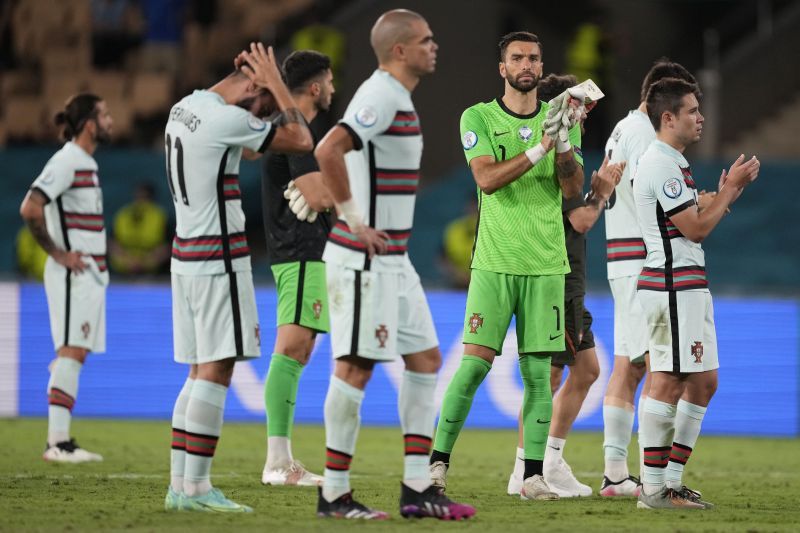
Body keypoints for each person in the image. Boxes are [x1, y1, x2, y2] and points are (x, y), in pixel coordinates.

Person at [313, 9, 475, 520]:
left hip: (394, 260)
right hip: (364, 259)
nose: (435, 47)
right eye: (426, 40)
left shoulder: (397, 97)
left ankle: (416, 490)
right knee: (355, 368)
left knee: (426, 360)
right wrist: (353, 218)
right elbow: (329, 148)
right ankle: (334, 495)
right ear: (400, 50)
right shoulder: (380, 94)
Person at [429, 31, 585, 502]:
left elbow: (574, 188)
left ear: (541, 66)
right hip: (494, 265)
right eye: (517, 57)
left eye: (534, 58)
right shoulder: (477, 117)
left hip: (546, 265)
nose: (527, 65)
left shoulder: (564, 119)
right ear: (502, 67)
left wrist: (560, 146)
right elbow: (486, 179)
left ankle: (532, 476)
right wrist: (539, 146)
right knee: (473, 367)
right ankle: (436, 466)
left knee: (539, 376)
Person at [163, 42, 313, 513]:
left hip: (185, 256)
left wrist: (265, 89)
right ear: (251, 85)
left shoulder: (185, 107)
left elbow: (247, 150)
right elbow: (300, 139)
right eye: (265, 100)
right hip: (218, 258)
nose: (268, 112)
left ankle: (179, 487)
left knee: (196, 371)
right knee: (218, 368)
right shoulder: (225, 119)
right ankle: (197, 489)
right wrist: (279, 88)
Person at [634, 77, 759, 510]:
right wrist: (727, 191)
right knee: (667, 381)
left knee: (704, 382)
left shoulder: (675, 163)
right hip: (670, 286)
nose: (700, 117)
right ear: (668, 118)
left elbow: (690, 221)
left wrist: (726, 194)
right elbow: (696, 229)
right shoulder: (661, 163)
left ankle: (670, 481)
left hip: (686, 285)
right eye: (691, 110)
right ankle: (652, 490)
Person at [505, 73, 623, 498]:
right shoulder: (564, 159)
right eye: (582, 107)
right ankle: (526, 468)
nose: (586, 115)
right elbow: (581, 220)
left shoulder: (557, 153)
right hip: (559, 278)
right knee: (550, 377)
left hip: (567, 279)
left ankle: (549, 461)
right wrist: (602, 192)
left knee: (586, 370)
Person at [599, 60, 701, 498]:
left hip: (620, 257)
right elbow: (653, 198)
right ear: (661, 105)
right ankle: (655, 482)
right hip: (643, 258)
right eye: (686, 106)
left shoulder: (621, 128)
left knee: (630, 363)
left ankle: (616, 472)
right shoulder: (646, 137)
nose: (690, 116)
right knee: (663, 368)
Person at [19, 93, 114, 463]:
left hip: (89, 274)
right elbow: (30, 207)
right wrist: (58, 254)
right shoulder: (68, 160)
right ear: (90, 123)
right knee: (71, 352)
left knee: (74, 354)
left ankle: (61, 439)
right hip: (73, 273)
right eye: (104, 114)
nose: (110, 120)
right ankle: (57, 443)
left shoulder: (84, 163)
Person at [259, 49, 335, 487]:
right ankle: (277, 463)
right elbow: (319, 195)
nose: (332, 89)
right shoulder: (295, 131)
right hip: (299, 250)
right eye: (329, 81)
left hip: (303, 251)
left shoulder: (289, 128)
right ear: (314, 86)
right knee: (291, 348)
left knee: (300, 350)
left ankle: (281, 459)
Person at [109, 182, 170, 275]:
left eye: (144, 197)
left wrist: (143, 263)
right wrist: (128, 262)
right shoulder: (123, 215)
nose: (140, 201)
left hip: (154, 274)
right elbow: (113, 244)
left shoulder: (161, 217)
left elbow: (167, 247)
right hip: (122, 272)